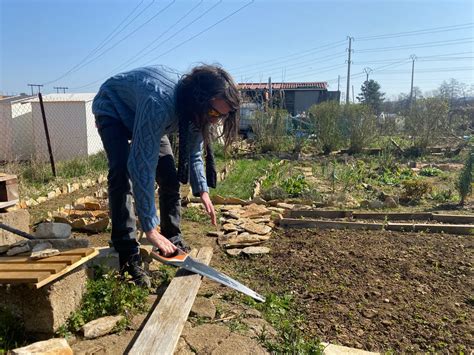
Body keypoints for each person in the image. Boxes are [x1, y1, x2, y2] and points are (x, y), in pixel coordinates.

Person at [92, 64, 240, 287]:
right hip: (113, 108)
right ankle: (127, 253)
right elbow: (142, 164)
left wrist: (203, 191)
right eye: (213, 114)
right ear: (199, 100)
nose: (215, 120)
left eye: (221, 116)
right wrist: (150, 228)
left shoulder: (197, 111)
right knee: (122, 173)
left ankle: (172, 236)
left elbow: (194, 152)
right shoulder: (159, 103)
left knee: (170, 177)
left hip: (148, 120)